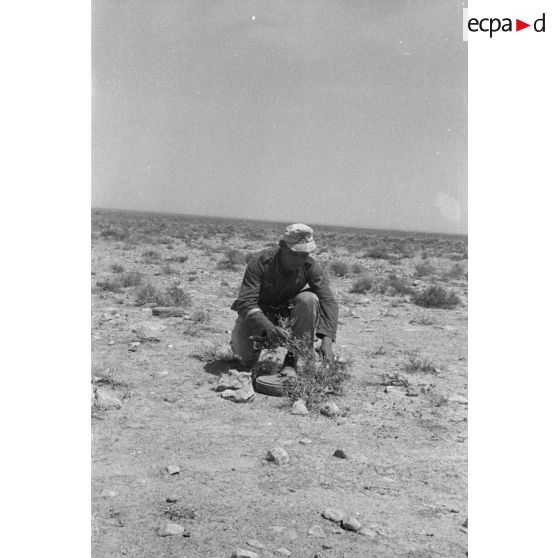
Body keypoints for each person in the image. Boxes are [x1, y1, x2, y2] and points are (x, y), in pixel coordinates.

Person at [230, 223, 338, 371]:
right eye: (293, 254)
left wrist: (327, 341)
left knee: (309, 299)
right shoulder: (260, 262)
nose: (299, 260)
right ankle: (250, 345)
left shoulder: (310, 267)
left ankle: (292, 359)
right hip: (258, 316)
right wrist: (268, 327)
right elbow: (246, 302)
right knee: (243, 357)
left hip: (286, 316)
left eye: (304, 255)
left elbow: (328, 301)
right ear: (282, 245)